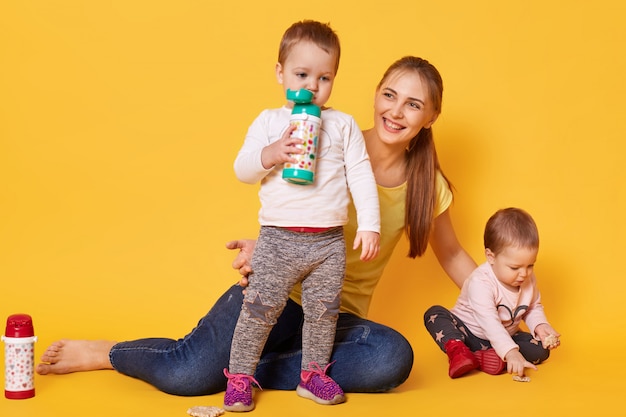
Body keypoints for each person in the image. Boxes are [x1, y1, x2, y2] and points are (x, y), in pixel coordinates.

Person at [36, 55, 477, 396]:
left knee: (391, 358)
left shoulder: (427, 186)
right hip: (279, 292)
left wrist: (502, 306)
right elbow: (285, 204)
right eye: (389, 95)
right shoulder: (327, 140)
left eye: (413, 104)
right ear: (376, 94)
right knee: (187, 373)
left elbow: (453, 254)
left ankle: (243, 371)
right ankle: (107, 353)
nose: (396, 111)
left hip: (336, 319)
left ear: (430, 117)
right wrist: (264, 248)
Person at [224, 20, 380, 412]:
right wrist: (272, 153)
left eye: (323, 77)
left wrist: (370, 224)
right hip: (278, 239)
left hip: (328, 243)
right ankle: (240, 376)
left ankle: (312, 376)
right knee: (259, 310)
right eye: (301, 74)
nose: (312, 85)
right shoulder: (269, 121)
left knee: (324, 313)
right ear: (280, 73)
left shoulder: (342, 125)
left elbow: (361, 173)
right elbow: (242, 169)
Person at [423, 207, 561, 379]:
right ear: (491, 257)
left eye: (530, 265)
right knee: (434, 314)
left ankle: (482, 358)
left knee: (541, 350)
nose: (524, 274)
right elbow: (489, 321)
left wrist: (540, 325)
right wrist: (510, 351)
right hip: (469, 333)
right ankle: (458, 350)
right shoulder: (481, 282)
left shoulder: (528, 280)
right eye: (515, 267)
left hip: (503, 336)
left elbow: (533, 307)